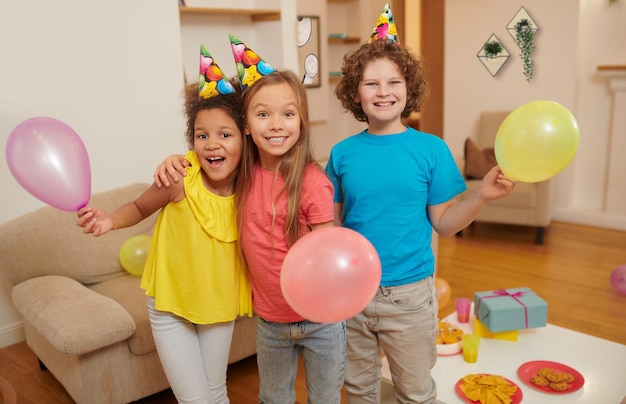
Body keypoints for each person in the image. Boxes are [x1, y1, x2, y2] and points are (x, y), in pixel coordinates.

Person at [324, 4, 515, 403]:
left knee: (414, 391)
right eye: (371, 83)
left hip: (409, 297)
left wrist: (481, 195)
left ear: (408, 88)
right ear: (354, 92)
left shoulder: (431, 149)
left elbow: (444, 223)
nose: (383, 92)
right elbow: (335, 229)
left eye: (393, 81)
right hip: (354, 296)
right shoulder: (341, 154)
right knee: (359, 388)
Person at [153, 36, 346, 404]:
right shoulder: (242, 171)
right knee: (273, 398)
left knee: (324, 399)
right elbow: (206, 156)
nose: (276, 125)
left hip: (321, 321)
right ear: (246, 126)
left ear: (302, 122)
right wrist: (172, 161)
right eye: (263, 114)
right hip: (271, 321)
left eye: (288, 114)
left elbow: (329, 253)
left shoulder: (312, 183)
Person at [77, 47, 252, 404]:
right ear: (191, 142)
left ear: (245, 137)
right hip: (170, 305)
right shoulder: (179, 177)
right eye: (202, 136)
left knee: (215, 391)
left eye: (225, 134)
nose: (212, 144)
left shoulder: (253, 186)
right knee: (195, 399)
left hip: (218, 307)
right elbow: (140, 207)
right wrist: (109, 220)